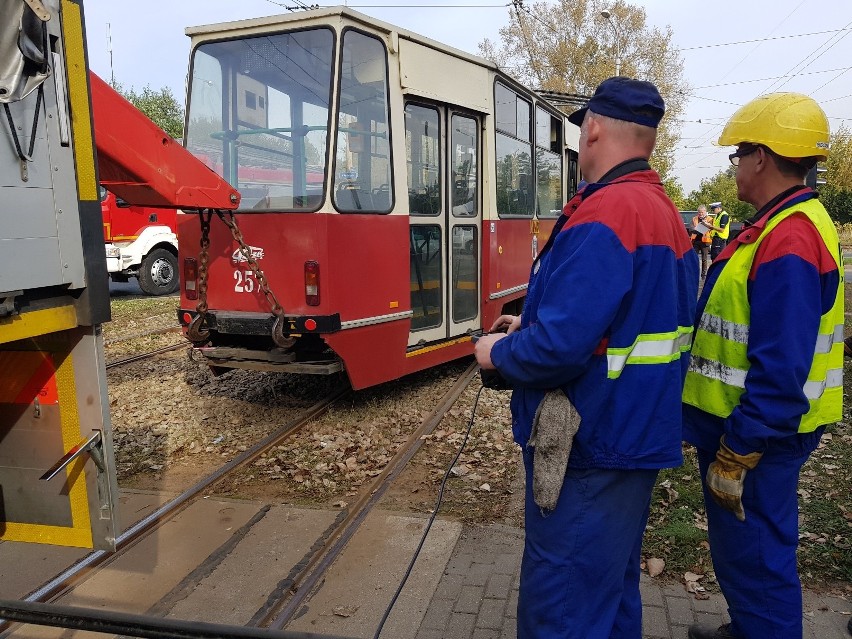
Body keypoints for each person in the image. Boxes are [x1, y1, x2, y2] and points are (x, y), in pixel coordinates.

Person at [473, 76, 699, 638]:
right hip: (633, 436)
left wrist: (496, 353)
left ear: (593, 127)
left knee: (564, 606)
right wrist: (535, 319)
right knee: (609, 589)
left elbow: (557, 351)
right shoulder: (661, 210)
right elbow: (627, 316)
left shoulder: (607, 213)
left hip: (591, 444)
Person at [682, 92, 843, 639]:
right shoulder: (781, 224)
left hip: (757, 439)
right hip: (752, 431)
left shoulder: (790, 236)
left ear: (762, 158)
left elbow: (781, 364)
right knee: (744, 554)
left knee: (756, 558)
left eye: (737, 155)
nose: (733, 168)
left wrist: (738, 450)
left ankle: (762, 629)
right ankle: (747, 628)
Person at [690, 204, 713, 276]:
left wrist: (699, 228)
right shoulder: (694, 218)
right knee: (694, 257)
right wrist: (695, 229)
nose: (700, 214)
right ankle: (694, 271)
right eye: (699, 212)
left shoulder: (710, 219)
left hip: (705, 241)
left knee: (704, 258)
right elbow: (691, 228)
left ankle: (703, 273)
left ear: (705, 211)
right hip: (695, 241)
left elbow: (709, 228)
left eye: (702, 212)